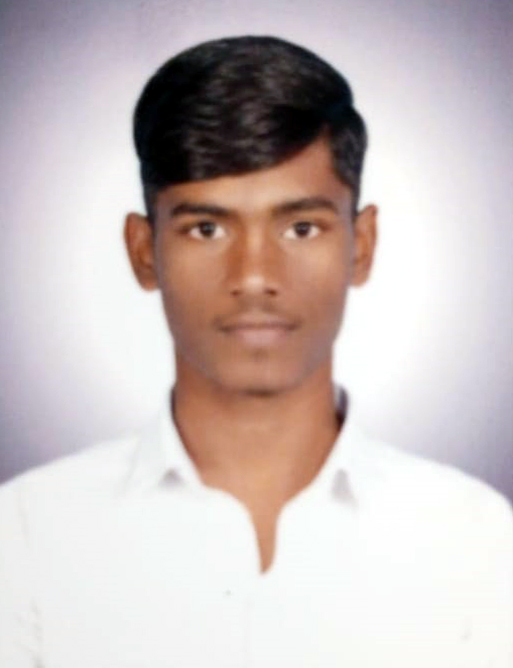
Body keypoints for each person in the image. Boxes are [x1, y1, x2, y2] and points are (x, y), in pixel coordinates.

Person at [0, 35, 511, 668]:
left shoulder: (475, 541)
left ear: (361, 245)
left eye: (301, 227)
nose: (254, 275)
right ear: (143, 252)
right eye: (206, 228)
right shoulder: (26, 539)